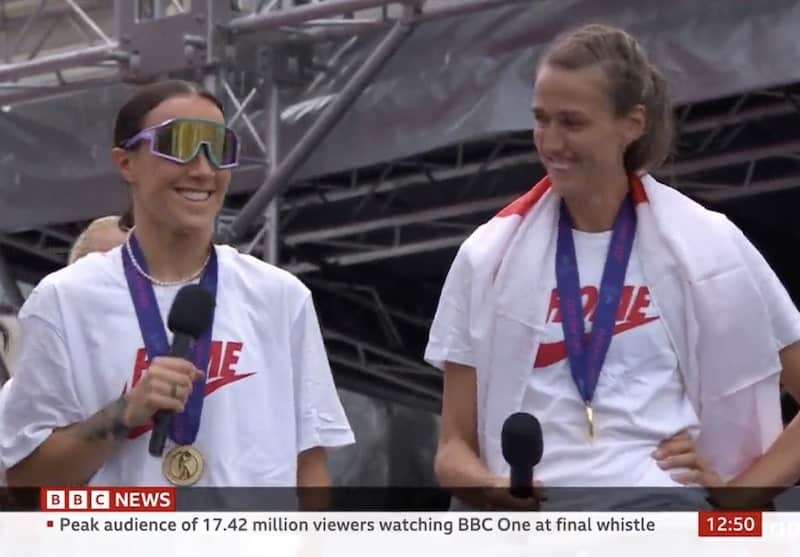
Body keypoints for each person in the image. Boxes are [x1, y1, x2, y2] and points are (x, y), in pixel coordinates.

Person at [426, 24, 800, 510]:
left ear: (632, 124)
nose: (552, 141)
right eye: (541, 119)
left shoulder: (712, 246)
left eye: (573, 122)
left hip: (665, 519)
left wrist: (740, 493)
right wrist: (492, 486)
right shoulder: (487, 256)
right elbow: (452, 450)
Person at [0, 80, 354, 490]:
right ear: (125, 162)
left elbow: (310, 469)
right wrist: (126, 412)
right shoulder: (65, 300)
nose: (203, 169)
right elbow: (27, 482)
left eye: (218, 148)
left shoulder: (280, 296)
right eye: (178, 143)